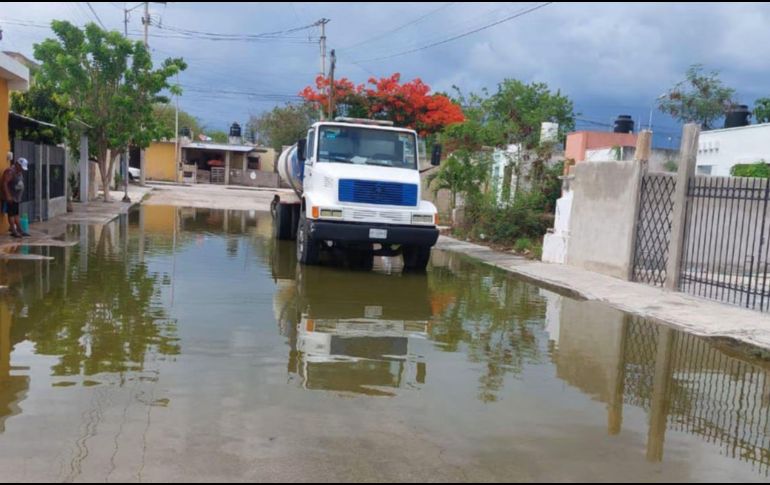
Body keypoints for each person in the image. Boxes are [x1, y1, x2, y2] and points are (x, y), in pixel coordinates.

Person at [1, 155, 29, 238]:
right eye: (21, 167)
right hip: (11, 197)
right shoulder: (10, 171)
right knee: (11, 214)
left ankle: (20, 230)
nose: (22, 169)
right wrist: (8, 196)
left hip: (16, 198)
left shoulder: (19, 172)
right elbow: (4, 183)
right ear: (17, 164)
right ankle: (13, 230)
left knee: (16, 214)